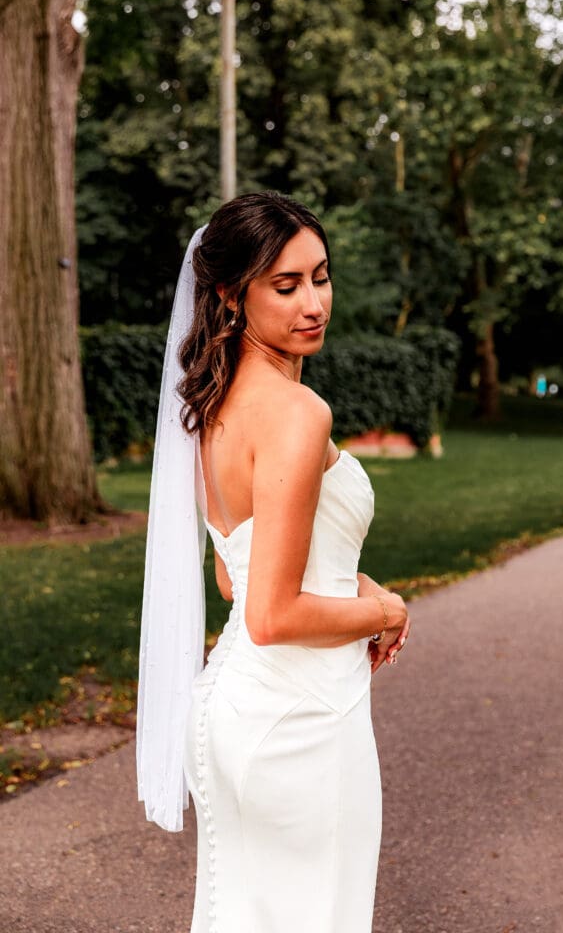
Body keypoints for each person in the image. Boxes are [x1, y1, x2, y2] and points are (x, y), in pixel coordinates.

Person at [137, 191, 410, 933]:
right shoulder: (296, 413)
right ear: (230, 294)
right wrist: (386, 611)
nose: (312, 302)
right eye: (284, 286)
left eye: (320, 276)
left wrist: (348, 584)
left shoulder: (211, 404)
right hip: (302, 717)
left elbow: (235, 573)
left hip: (232, 711)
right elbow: (273, 613)